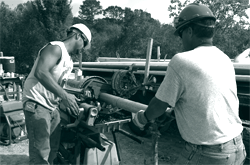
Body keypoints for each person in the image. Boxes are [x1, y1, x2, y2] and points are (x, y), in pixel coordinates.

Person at [132, 3, 246, 165]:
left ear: (189, 31)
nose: (181, 40)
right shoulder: (224, 58)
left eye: (181, 34)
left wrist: (141, 119)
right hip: (236, 147)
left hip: (208, 154)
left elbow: (159, 105)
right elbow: (208, 97)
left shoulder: (181, 61)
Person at [22, 23, 92, 164]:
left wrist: (72, 96)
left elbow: (57, 84)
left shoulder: (69, 61)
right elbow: (41, 72)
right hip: (37, 103)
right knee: (40, 153)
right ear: (78, 36)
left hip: (51, 108)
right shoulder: (55, 48)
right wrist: (65, 96)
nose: (82, 50)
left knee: (53, 149)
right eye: (84, 44)